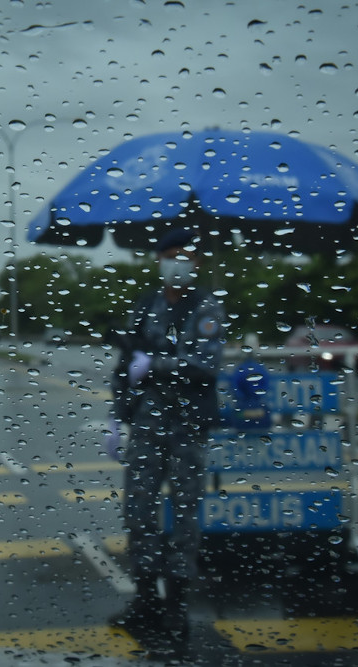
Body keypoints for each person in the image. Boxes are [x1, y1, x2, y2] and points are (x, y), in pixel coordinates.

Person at [107, 227, 224, 656]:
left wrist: (154, 364)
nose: (178, 262)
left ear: (197, 262)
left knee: (184, 516)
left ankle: (176, 605)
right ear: (159, 260)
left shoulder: (206, 307)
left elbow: (205, 364)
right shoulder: (147, 305)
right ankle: (145, 599)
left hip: (187, 425)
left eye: (186, 255)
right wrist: (116, 416)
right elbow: (126, 363)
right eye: (171, 255)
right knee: (138, 510)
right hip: (147, 423)